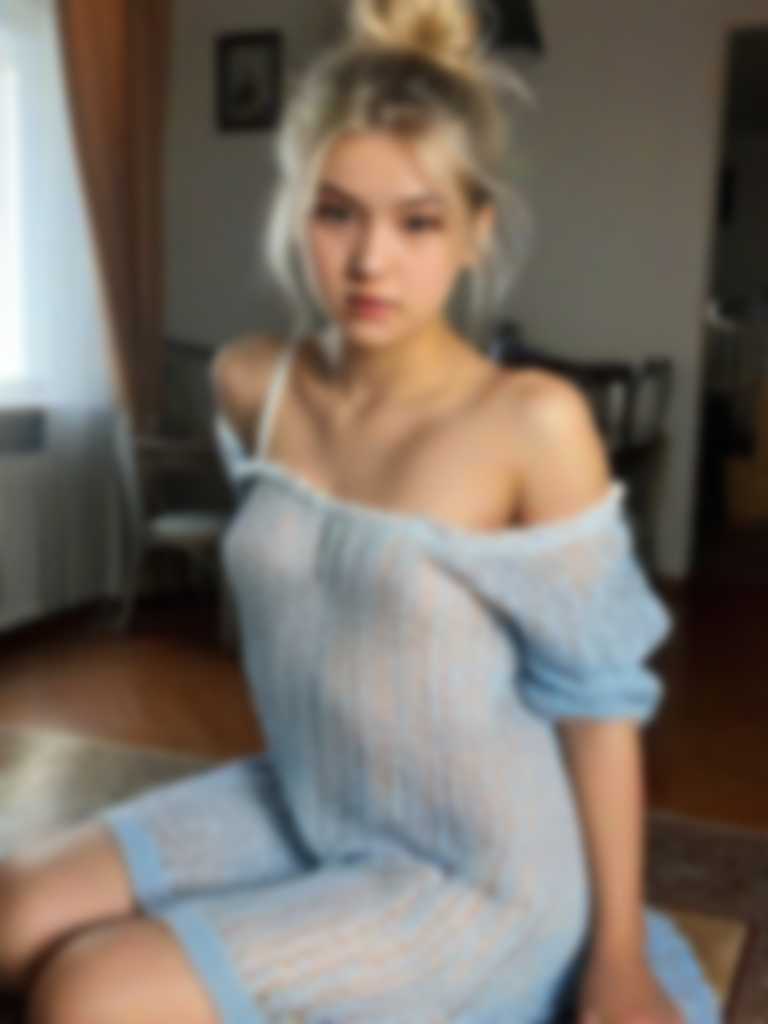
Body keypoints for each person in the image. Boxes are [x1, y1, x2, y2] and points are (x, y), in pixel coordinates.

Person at [0, 1, 720, 1021]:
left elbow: (599, 710)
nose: (371, 259)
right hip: (307, 795)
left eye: (417, 221)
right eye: (338, 212)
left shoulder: (531, 423)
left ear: (475, 231)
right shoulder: (251, 384)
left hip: (479, 870)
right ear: (298, 212)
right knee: (16, 911)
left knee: (90, 991)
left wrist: (616, 955)